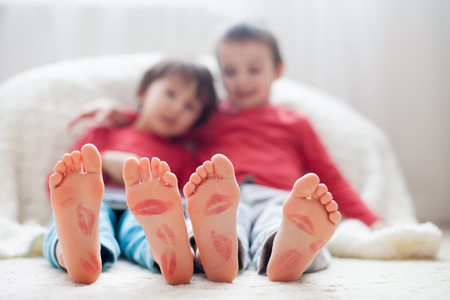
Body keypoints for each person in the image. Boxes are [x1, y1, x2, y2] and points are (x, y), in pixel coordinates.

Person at [187, 22, 383, 282]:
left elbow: (327, 173)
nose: (242, 80)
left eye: (254, 69)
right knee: (215, 221)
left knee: (284, 223)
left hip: (280, 197)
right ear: (220, 75)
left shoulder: (294, 122)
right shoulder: (207, 119)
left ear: (277, 70)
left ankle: (285, 250)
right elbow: (168, 130)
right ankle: (208, 252)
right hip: (224, 195)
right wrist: (126, 117)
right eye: (230, 72)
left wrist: (372, 220)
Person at [43, 59, 218, 285]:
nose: (176, 108)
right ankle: (71, 255)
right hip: (97, 201)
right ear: (144, 93)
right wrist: (105, 161)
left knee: (148, 228)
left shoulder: (183, 154)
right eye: (171, 94)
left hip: (146, 209)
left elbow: (187, 200)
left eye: (190, 106)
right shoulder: (104, 132)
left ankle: (165, 255)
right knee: (77, 221)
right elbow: (60, 183)